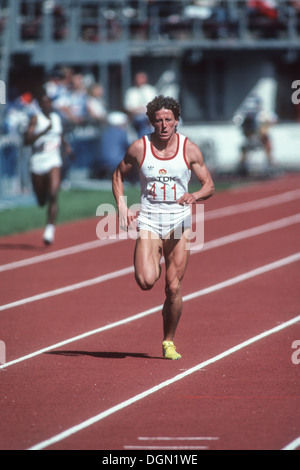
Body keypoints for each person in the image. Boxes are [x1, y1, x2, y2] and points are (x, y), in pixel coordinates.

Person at [112, 95, 215, 360]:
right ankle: (153, 255)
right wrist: (122, 207)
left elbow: (209, 185)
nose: (164, 125)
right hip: (149, 221)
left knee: (172, 287)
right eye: (158, 120)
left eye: (168, 119)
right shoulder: (139, 148)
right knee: (146, 280)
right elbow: (118, 175)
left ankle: (168, 341)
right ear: (150, 122)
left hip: (179, 223)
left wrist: (195, 196)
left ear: (177, 121)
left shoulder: (189, 149)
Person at [24, 92, 73, 245]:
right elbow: (27, 140)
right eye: (44, 103)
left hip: (53, 159)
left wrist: (67, 147)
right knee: (41, 200)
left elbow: (60, 135)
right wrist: (44, 131)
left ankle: (49, 229)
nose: (47, 105)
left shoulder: (57, 118)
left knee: (53, 194)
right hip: (38, 161)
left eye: (49, 102)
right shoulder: (35, 118)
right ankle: (41, 195)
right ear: (40, 105)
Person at [124, 72, 157, 138]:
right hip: (135, 118)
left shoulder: (151, 90)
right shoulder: (131, 92)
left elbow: (155, 106)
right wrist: (139, 109)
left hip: (149, 118)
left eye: (141, 78)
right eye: (138, 78)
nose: (139, 80)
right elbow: (128, 107)